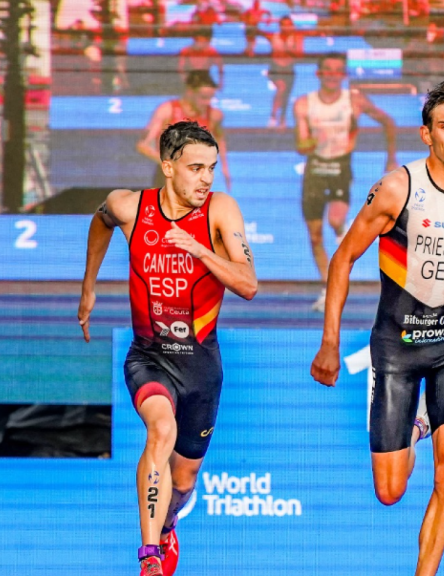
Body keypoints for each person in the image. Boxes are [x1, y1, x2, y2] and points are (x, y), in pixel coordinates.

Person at [310, 81, 444, 576]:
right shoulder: (396, 190)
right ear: (426, 134)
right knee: (390, 492)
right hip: (394, 351)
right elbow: (342, 259)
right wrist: (330, 341)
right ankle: (417, 423)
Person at [79, 121, 257, 576]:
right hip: (149, 357)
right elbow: (100, 222)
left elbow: (248, 284)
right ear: (167, 166)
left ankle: (170, 520)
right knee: (160, 430)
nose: (205, 179)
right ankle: (150, 556)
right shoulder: (129, 206)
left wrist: (201, 251)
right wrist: (89, 287)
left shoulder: (221, 211)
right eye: (195, 168)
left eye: (212, 169)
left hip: (200, 367)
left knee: (184, 480)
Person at [293, 52, 398, 311]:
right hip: (315, 169)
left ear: (344, 75)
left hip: (340, 167)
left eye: (337, 70)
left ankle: (343, 234)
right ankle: (327, 288)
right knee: (315, 237)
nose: (332, 74)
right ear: (319, 74)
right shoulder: (304, 104)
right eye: (327, 69)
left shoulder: (354, 100)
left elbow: (388, 121)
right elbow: (301, 145)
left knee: (336, 220)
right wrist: (315, 141)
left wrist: (391, 158)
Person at [137, 70, 231, 191]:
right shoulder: (167, 111)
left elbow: (219, 138)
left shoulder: (214, 115)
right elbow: (143, 145)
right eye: (203, 97)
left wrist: (225, 169)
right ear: (190, 92)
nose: (207, 102)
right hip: (168, 179)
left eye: (210, 98)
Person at [264, 16, 303, 128]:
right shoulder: (273, 37)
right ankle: (273, 115)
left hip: (289, 69)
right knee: (281, 89)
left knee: (286, 94)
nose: (286, 27)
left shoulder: (297, 38)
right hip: (275, 68)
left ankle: (282, 118)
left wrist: (290, 52)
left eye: (289, 25)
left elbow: (300, 55)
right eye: (284, 25)